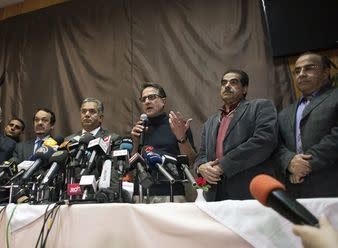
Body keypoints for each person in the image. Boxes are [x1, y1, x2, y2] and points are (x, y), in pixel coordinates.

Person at [194, 69, 278, 201]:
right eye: (224, 83)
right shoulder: (210, 122)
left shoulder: (260, 106)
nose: (227, 86)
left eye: (233, 82)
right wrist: (201, 167)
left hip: (248, 190)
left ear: (244, 89)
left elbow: (264, 141)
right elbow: (202, 153)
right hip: (214, 193)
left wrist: (223, 165)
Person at [273, 52, 338, 198]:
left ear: (326, 72)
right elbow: (275, 145)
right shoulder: (284, 113)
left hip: (331, 184)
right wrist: (289, 162)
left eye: (309, 68)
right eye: (297, 70)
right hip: (295, 188)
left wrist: (305, 164)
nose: (301, 74)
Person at [130, 82, 197, 203]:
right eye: (143, 99)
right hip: (141, 193)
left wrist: (181, 138)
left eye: (151, 97)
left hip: (171, 191)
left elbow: (191, 161)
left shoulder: (176, 125)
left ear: (163, 101)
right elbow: (132, 166)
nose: (147, 101)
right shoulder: (139, 128)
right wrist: (135, 143)